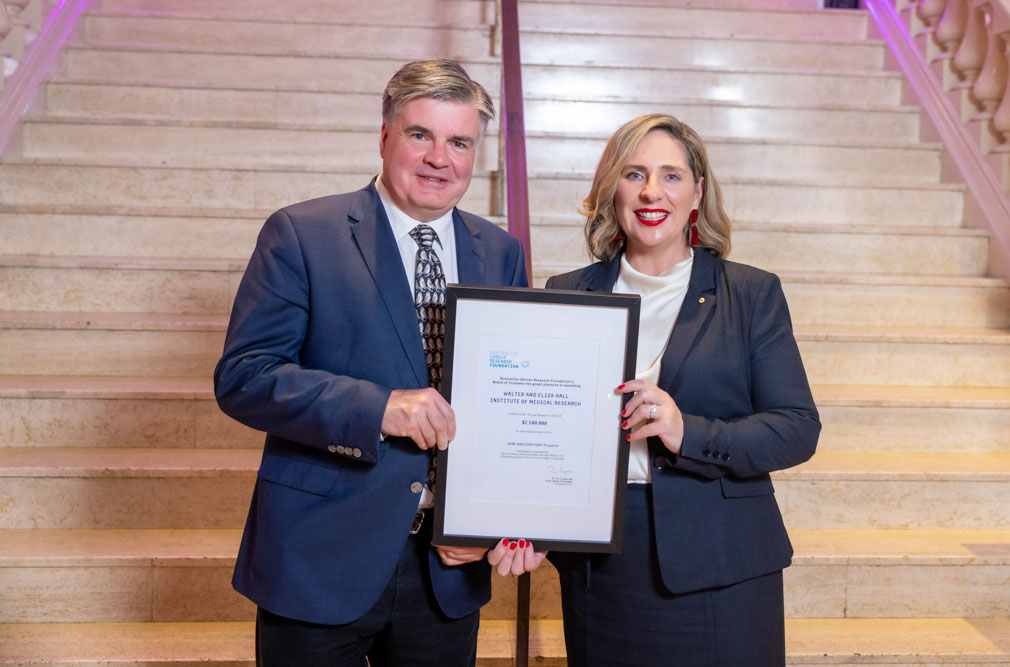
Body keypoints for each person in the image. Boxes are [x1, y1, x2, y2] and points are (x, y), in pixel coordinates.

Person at [214, 59, 538, 666]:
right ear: (385, 135)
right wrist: (377, 407)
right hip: (320, 555)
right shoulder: (302, 233)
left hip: (448, 568)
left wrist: (507, 518)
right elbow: (245, 377)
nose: (440, 158)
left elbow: (512, 402)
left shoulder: (501, 252)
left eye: (459, 141)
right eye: (421, 135)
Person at [545, 114, 821, 666]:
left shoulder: (749, 293)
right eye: (634, 174)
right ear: (611, 190)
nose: (652, 191)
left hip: (722, 564)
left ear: (697, 194)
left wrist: (686, 431)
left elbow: (796, 427)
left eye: (671, 176)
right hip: (602, 568)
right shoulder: (568, 292)